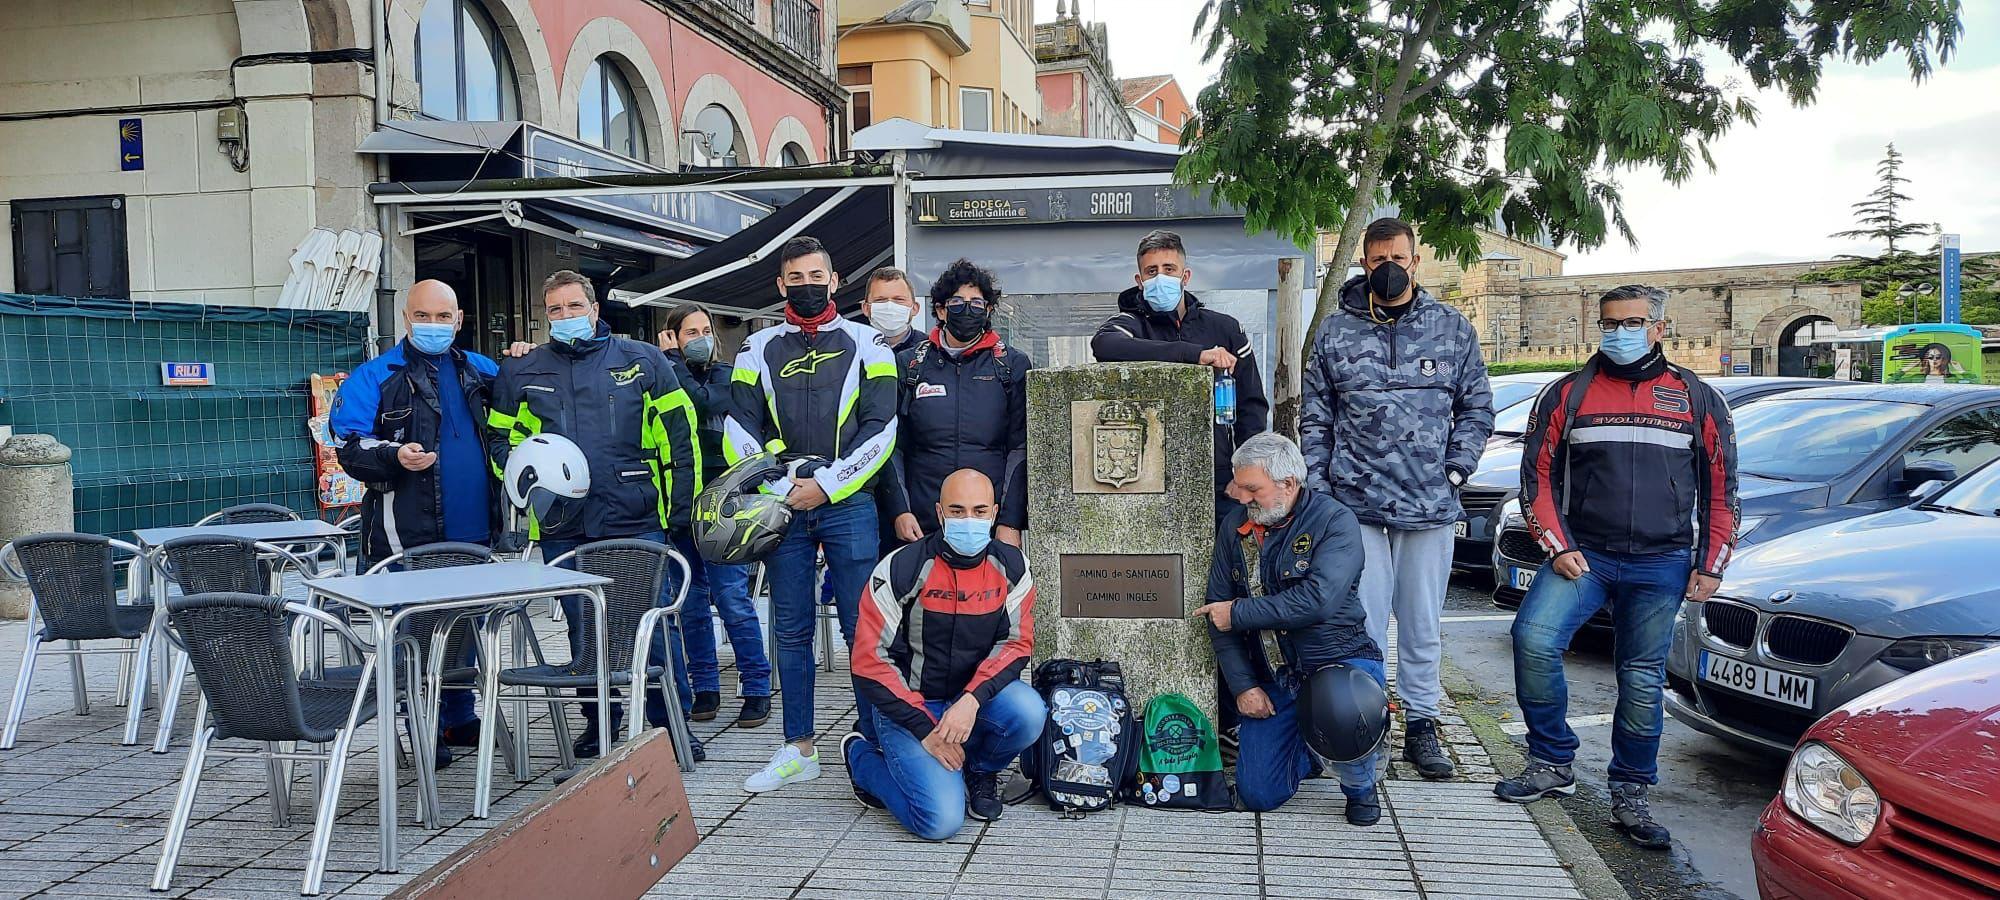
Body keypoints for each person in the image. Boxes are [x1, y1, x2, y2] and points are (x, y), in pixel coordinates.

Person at [1501, 285, 1738, 851]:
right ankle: (1551, 760)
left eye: (1632, 323)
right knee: (1532, 638)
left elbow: (1724, 487)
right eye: (1609, 323)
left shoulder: (1698, 397)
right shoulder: (1565, 394)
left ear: (1659, 327)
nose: (1619, 333)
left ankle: (1630, 791)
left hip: (1662, 563)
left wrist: (1712, 562)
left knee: (1641, 677)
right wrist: (1556, 546)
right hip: (1586, 557)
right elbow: (1535, 479)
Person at [1298, 216, 1493, 780]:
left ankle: (1424, 724)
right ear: (1363, 262)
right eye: (1377, 258)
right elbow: (1316, 417)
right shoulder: (1335, 333)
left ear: (1415, 261)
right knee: (1361, 620)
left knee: (1422, 621)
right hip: (1354, 508)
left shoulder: (1451, 328)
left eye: (1399, 258)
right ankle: (1366, 721)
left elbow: (1477, 407)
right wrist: (1322, 489)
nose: (1388, 267)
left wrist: (1456, 470)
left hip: (1429, 506)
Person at [486, 270, 703, 761]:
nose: (566, 317)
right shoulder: (522, 370)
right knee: (582, 626)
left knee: (653, 625)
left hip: (636, 515)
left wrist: (682, 509)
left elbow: (680, 435)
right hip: (563, 524)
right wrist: (527, 476)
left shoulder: (642, 360)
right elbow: (500, 441)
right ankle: (598, 721)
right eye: (555, 310)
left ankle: (672, 723)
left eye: (574, 307)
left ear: (594, 309)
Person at [725, 236, 899, 793]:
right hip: (780, 505)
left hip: (848, 502)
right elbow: (738, 428)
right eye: (794, 278)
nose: (806, 286)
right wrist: (780, 487)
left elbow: (882, 427)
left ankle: (875, 741)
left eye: (815, 276)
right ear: (780, 285)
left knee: (862, 628)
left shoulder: (869, 341)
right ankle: (799, 746)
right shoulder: (755, 348)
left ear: (835, 278)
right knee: (792, 628)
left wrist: (826, 485)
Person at [330, 279, 497, 762]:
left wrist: (525, 355)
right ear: (406, 318)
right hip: (405, 533)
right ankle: (418, 730)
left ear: (459, 320)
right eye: (423, 316)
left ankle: (458, 716)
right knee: (411, 633)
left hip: (474, 531)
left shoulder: (482, 371)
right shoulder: (374, 376)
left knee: (465, 624)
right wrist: (394, 455)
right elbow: (349, 446)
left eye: (443, 317)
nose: (433, 326)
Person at [1194, 433, 1385, 824]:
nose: (1242, 498)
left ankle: (1360, 786)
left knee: (1340, 709)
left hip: (1338, 663)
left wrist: (1240, 613)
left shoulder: (1334, 521)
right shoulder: (1234, 527)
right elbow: (1218, 616)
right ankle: (1309, 747)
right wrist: (1245, 687)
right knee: (1258, 794)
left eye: (1252, 489)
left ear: (1288, 484)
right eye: (1240, 486)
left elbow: (1318, 601)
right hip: (1275, 676)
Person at [843, 468, 1042, 840]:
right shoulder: (900, 567)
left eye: (980, 511)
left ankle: (979, 772)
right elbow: (868, 659)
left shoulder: (1014, 566)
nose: (969, 520)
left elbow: (1017, 644)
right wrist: (925, 730)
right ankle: (861, 756)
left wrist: (971, 700)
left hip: (968, 704)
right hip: (911, 705)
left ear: (995, 513)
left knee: (1030, 711)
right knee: (940, 822)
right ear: (939, 514)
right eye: (957, 510)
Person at [1091, 229, 1269, 512]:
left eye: (1169, 269)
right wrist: (1193, 354)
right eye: (1151, 271)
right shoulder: (1131, 324)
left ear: (1185, 276)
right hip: (1148, 478)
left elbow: (1252, 408)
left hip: (1220, 480)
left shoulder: (1225, 329)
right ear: (1140, 281)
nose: (1160, 277)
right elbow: (1105, 345)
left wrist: (1245, 476)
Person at [658, 304, 772, 729]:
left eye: (706, 330)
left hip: (724, 504)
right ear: (673, 337)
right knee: (689, 603)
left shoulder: (727, 378)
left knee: (733, 601)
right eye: (690, 332)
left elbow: (703, 403)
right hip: (680, 505)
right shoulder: (662, 378)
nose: (701, 338)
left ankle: (756, 685)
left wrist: (672, 366)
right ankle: (705, 685)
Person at [885, 259, 1033, 545]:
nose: (967, 310)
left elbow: (1020, 447)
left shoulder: (1011, 365)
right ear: (940, 310)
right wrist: (900, 511)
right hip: (922, 521)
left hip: (986, 523)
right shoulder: (909, 364)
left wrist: (1010, 521)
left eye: (977, 303)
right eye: (957, 302)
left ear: (988, 310)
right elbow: (894, 447)